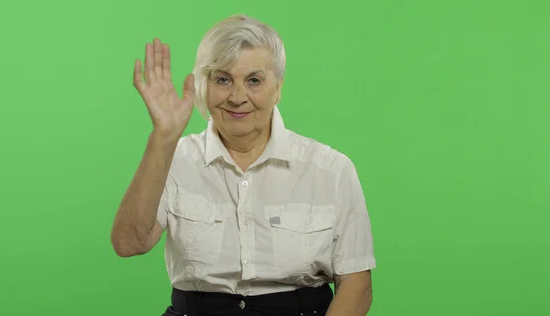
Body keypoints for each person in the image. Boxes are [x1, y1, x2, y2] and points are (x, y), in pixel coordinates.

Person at [110, 14, 376, 316]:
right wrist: (163, 137)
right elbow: (128, 243)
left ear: (278, 89)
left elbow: (357, 284)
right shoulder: (172, 159)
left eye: (254, 80)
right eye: (223, 79)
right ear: (204, 87)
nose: (237, 97)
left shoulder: (331, 169)